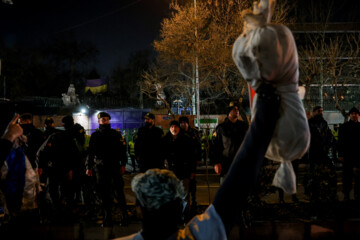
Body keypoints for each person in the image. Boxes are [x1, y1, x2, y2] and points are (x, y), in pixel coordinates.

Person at [115, 82, 280, 240]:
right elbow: (234, 190)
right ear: (178, 207)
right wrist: (267, 103)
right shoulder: (201, 235)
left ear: (139, 210)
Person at [85, 112, 129, 228]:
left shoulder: (115, 134)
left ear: (109, 121)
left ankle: (124, 217)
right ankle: (107, 218)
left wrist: (123, 164)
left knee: (119, 192)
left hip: (114, 166)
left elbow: (122, 150)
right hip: (101, 168)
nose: (105, 121)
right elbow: (91, 153)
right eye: (102, 120)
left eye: (106, 119)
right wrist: (88, 167)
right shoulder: (95, 136)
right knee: (104, 194)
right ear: (99, 122)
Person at [161, 120, 197, 222]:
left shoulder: (186, 140)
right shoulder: (165, 140)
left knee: (185, 197)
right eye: (172, 127)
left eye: (176, 127)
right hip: (169, 173)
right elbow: (161, 156)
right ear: (169, 128)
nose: (174, 129)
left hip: (183, 172)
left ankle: (185, 218)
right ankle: (173, 219)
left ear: (179, 128)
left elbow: (192, 157)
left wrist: (192, 171)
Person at [211, 101, 249, 184]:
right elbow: (215, 147)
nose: (237, 111)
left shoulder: (243, 127)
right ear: (229, 112)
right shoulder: (221, 128)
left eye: (237, 109)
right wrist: (216, 163)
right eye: (234, 109)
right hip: (226, 165)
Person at [306, 106, 337, 202]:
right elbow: (308, 137)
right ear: (314, 112)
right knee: (313, 173)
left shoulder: (324, 123)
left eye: (322, 111)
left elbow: (330, 136)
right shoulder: (309, 123)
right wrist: (320, 144)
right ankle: (313, 193)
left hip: (323, 152)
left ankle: (329, 193)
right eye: (319, 111)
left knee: (330, 170)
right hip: (314, 153)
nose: (321, 113)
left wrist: (327, 145)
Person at [179, 116, 201, 214]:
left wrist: (199, 158)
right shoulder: (179, 133)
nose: (183, 124)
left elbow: (198, 146)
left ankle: (194, 202)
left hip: (192, 161)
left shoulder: (194, 133)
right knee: (184, 184)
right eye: (181, 123)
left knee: (192, 182)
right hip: (182, 162)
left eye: (184, 122)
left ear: (188, 123)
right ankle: (186, 205)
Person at [338, 107, 360, 201]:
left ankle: (356, 194)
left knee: (357, 176)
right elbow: (341, 141)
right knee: (347, 176)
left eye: (355, 113)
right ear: (350, 115)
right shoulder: (344, 127)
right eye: (352, 114)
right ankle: (347, 193)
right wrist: (341, 154)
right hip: (348, 154)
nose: (354, 115)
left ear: (358, 115)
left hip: (357, 155)